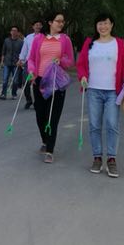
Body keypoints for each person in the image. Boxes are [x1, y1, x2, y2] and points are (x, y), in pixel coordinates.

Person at [76, 13, 124, 178]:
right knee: (94, 125)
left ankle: (112, 159)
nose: (103, 26)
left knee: (112, 124)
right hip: (93, 90)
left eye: (106, 23)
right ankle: (97, 157)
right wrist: (83, 76)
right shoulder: (90, 43)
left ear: (112, 25)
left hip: (113, 91)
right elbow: (81, 64)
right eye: (100, 23)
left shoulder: (119, 43)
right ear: (96, 26)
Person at [27, 12, 74, 163]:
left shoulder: (65, 40)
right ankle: (45, 140)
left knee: (53, 117)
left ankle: (50, 150)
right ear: (50, 22)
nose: (61, 24)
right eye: (58, 21)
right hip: (40, 81)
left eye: (62, 21)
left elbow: (70, 60)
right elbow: (31, 59)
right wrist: (31, 72)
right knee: (40, 115)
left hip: (56, 83)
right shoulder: (38, 39)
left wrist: (61, 61)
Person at [17, 21, 43, 109]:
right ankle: (29, 100)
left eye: (39, 25)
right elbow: (24, 49)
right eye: (36, 25)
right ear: (33, 26)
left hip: (40, 64)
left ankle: (37, 101)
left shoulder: (44, 37)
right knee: (25, 82)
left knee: (37, 83)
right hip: (29, 63)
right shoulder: (28, 37)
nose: (38, 26)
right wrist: (21, 59)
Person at [0, 26, 23, 100]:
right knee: (5, 79)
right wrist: (2, 61)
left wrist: (21, 61)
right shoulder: (6, 40)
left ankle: (14, 94)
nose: (14, 32)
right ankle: (3, 94)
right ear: (10, 32)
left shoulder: (21, 42)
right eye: (12, 30)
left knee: (15, 81)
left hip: (16, 63)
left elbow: (22, 53)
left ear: (17, 33)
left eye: (15, 31)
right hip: (7, 62)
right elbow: (3, 51)